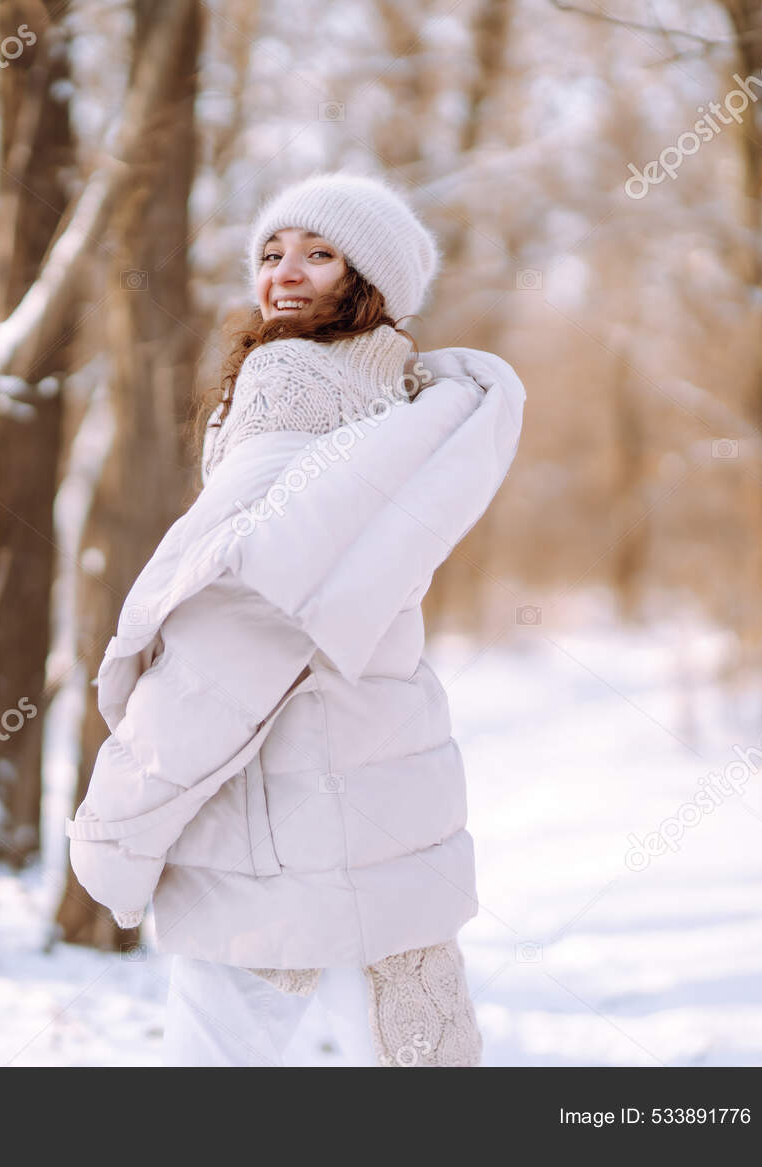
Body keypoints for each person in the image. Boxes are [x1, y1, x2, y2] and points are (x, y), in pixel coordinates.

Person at [66, 171, 527, 1066]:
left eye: (320, 254)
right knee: (412, 1050)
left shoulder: (284, 379)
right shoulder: (418, 401)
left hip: (274, 792)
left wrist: (125, 807)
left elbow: (238, 618)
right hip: (387, 760)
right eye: (272, 252)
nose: (286, 272)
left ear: (369, 283)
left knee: (217, 1058)